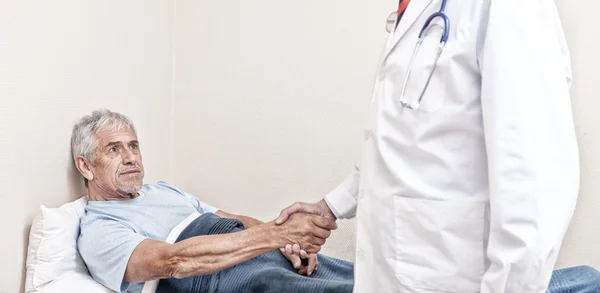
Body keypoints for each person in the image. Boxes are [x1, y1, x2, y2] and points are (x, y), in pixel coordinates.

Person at [275, 0, 597, 292]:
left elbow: (535, 187)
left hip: (451, 274)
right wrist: (332, 205)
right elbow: (409, 139)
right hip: (395, 271)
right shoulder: (417, 8)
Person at [73, 109, 352, 293]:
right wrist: (276, 234)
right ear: (86, 167)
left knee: (366, 279)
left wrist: (290, 245)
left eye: (133, 146)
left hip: (249, 247)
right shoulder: (99, 228)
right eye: (114, 149)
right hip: (208, 276)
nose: (131, 157)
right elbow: (174, 261)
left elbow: (229, 218)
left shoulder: (162, 190)